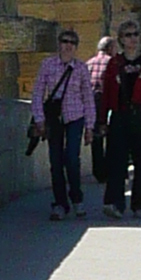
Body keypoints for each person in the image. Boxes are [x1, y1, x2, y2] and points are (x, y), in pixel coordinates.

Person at [99, 16, 141, 217]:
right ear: (121, 39)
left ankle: (140, 203)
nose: (133, 39)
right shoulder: (114, 63)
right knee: (117, 161)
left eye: (135, 34)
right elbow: (107, 92)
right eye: (128, 35)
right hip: (120, 115)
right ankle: (114, 203)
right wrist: (102, 120)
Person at [29, 26, 94, 224]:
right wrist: (39, 119)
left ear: (76, 47)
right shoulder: (48, 65)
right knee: (56, 161)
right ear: (59, 44)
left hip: (75, 117)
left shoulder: (81, 68)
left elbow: (88, 97)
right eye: (65, 42)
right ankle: (60, 203)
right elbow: (38, 92)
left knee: (72, 159)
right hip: (54, 119)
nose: (68, 46)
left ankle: (77, 197)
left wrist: (90, 126)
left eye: (72, 43)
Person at [88, 32, 114, 189]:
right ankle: (110, 170)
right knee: (113, 139)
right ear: (110, 48)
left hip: (91, 105)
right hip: (107, 104)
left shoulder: (89, 63)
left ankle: (99, 172)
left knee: (96, 140)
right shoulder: (113, 62)